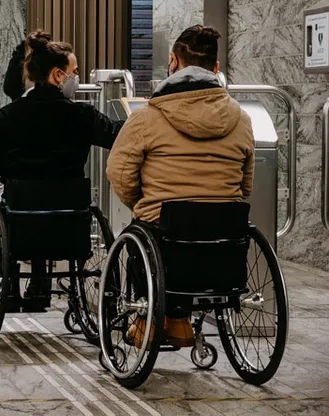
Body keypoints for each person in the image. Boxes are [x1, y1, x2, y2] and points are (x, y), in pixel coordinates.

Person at [106, 24, 254, 345]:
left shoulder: (145, 117)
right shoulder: (241, 119)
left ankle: (150, 321)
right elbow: (245, 184)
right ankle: (180, 321)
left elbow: (118, 172)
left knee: (144, 230)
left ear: (173, 61)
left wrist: (142, 203)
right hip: (224, 239)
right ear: (216, 69)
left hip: (165, 233)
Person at [0, 33, 121, 310]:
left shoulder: (5, 119)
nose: (77, 79)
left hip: (20, 218)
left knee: (3, 202)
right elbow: (120, 137)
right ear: (58, 75)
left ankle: (10, 292)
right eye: (75, 72)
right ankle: (42, 289)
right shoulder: (83, 116)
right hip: (70, 219)